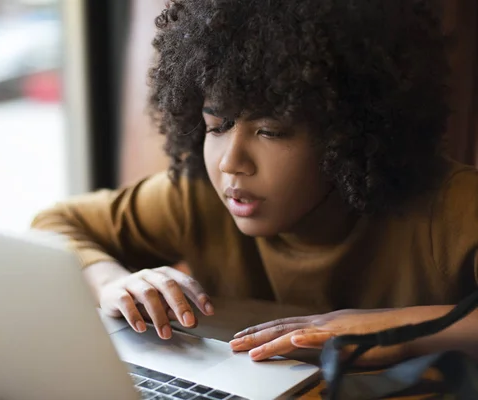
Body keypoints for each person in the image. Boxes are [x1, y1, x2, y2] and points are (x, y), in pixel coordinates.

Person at [32, 0, 478, 366]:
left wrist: (406, 330)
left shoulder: (450, 207)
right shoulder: (200, 197)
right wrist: (111, 281)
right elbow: (55, 222)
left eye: (271, 131)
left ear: (353, 131)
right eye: (216, 125)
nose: (231, 162)